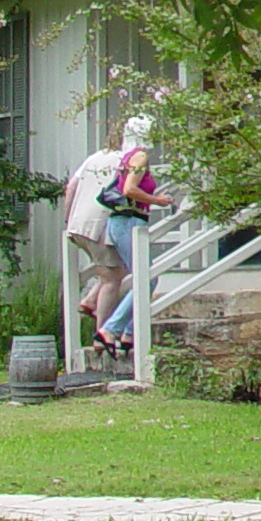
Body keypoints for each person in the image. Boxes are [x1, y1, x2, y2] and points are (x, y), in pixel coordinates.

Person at [95, 115, 173, 356]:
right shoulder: (140, 157)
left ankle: (129, 333)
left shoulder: (127, 157)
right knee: (146, 279)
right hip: (129, 220)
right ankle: (111, 329)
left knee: (144, 278)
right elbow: (129, 189)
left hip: (122, 222)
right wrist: (157, 200)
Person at [60, 118, 128, 353]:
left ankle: (90, 300)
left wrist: (68, 220)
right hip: (99, 225)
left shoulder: (94, 158)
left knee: (110, 269)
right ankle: (102, 335)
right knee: (112, 279)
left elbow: (71, 187)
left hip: (79, 225)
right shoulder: (125, 160)